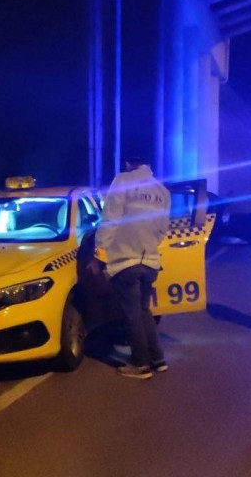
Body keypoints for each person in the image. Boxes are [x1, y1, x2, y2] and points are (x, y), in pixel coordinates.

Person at [91, 155, 171, 379]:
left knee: (132, 314)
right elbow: (163, 229)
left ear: (128, 163)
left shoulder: (123, 181)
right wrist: (148, 244)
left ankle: (140, 364)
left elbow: (110, 220)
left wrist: (99, 252)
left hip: (125, 260)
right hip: (150, 262)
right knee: (144, 310)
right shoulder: (162, 191)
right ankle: (158, 359)